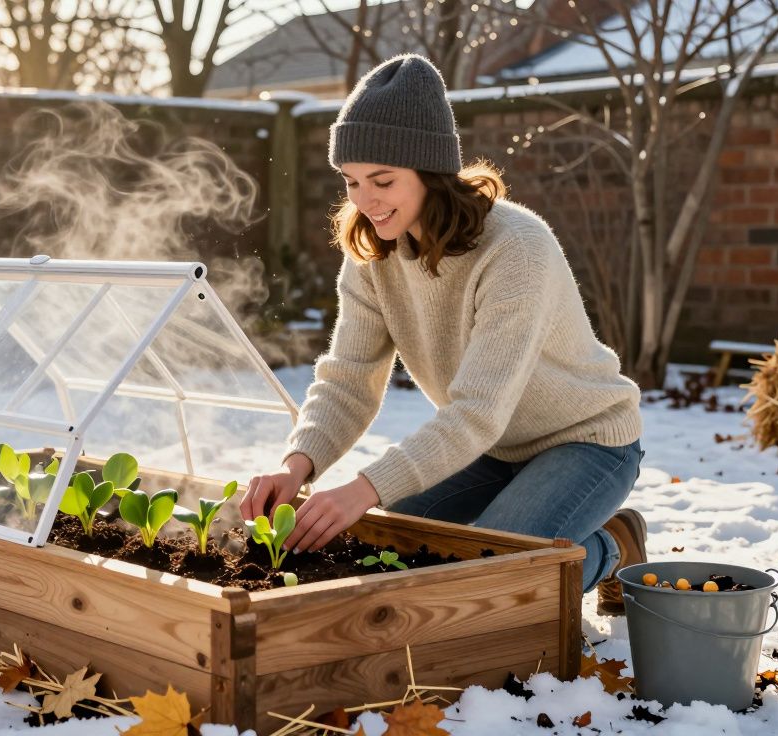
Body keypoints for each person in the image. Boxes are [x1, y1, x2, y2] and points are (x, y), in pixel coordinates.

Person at [239, 54, 647, 615]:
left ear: (432, 172)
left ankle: (611, 546)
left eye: (383, 181)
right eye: (352, 181)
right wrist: (297, 465)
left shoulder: (515, 248)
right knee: (377, 543)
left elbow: (476, 410)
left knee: (487, 586)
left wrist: (362, 487)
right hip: (488, 447)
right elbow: (349, 380)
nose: (365, 200)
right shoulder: (372, 255)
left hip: (584, 440)